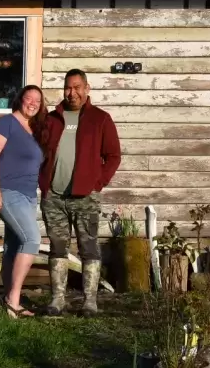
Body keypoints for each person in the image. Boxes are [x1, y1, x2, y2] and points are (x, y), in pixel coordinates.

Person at [39, 69, 121, 317]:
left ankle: (89, 302)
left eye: (76, 87)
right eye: (67, 87)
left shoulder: (100, 119)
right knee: (57, 246)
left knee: (89, 248)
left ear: (87, 89)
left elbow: (113, 156)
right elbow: (38, 151)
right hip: (54, 197)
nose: (71, 92)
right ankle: (57, 300)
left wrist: (99, 182)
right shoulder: (52, 119)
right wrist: (42, 182)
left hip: (86, 197)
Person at [0, 84, 46, 318]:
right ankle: (14, 301)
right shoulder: (6, 123)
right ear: (20, 100)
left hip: (29, 196)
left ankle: (8, 297)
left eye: (37, 101)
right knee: (32, 239)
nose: (32, 103)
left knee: (14, 245)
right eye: (29, 98)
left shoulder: (34, 130)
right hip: (8, 192)